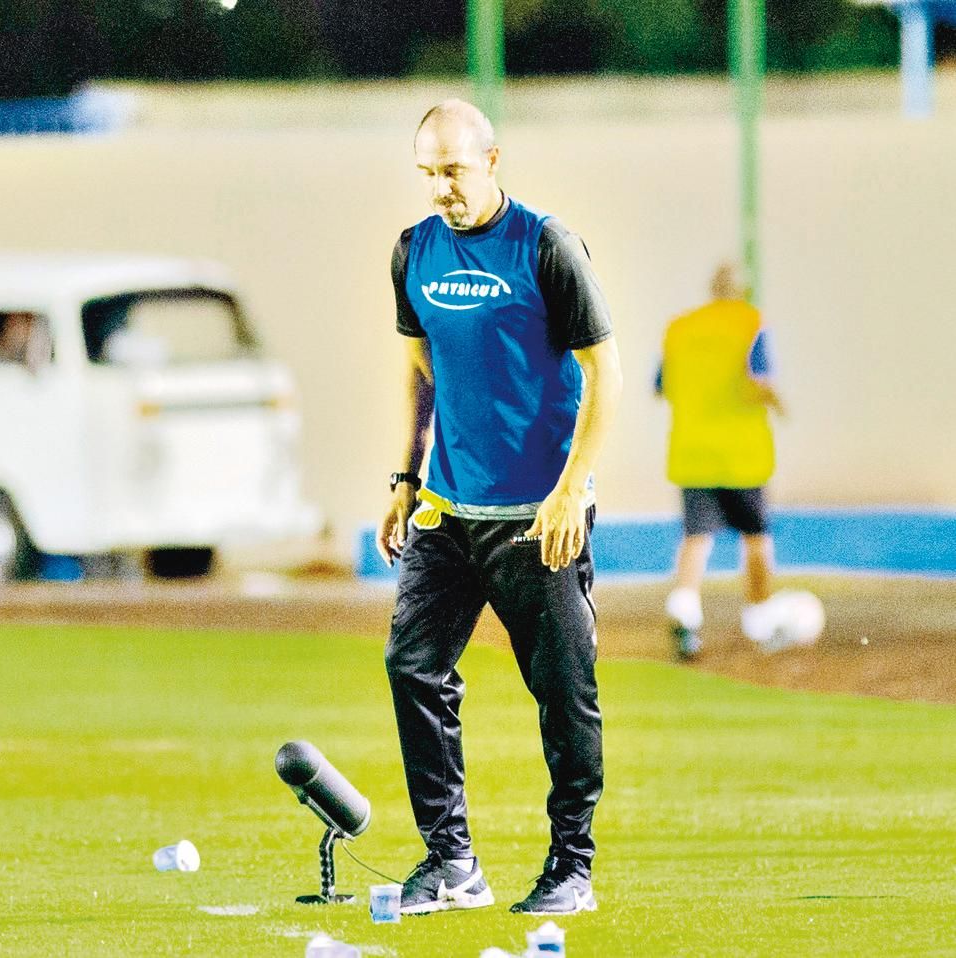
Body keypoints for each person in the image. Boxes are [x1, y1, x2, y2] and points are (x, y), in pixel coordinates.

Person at [378, 100, 622, 916]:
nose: (440, 188)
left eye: (452, 170)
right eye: (427, 173)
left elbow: (604, 373)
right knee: (411, 668)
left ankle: (570, 869)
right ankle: (451, 863)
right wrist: (403, 480)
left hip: (537, 517)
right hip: (446, 512)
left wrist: (570, 490)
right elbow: (422, 372)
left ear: (491, 159)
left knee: (562, 692)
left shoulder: (546, 246)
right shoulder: (412, 251)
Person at [656, 262, 785, 659]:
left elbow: (661, 386)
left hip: (693, 452)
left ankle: (685, 614)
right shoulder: (750, 324)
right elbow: (759, 382)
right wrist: (779, 405)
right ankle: (761, 621)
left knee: (696, 537)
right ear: (742, 290)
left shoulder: (680, 328)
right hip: (742, 455)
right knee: (757, 538)